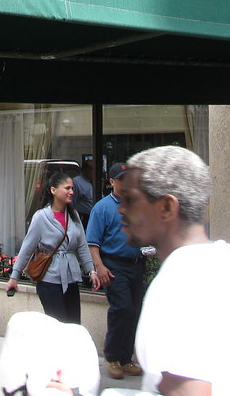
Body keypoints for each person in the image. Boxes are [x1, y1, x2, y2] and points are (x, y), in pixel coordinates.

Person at [120, 146, 230, 396]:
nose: (121, 209)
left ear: (167, 207)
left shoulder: (180, 279)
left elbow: (189, 391)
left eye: (131, 199)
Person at [5, 171, 101, 323]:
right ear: (53, 190)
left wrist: (91, 271)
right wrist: (14, 277)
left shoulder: (74, 216)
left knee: (73, 325)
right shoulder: (41, 217)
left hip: (71, 279)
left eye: (72, 188)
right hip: (49, 280)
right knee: (56, 325)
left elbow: (82, 246)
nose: (71, 192)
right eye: (67, 188)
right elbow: (27, 248)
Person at [85, 161, 146, 380]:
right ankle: (112, 357)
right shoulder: (102, 208)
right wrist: (99, 267)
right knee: (122, 308)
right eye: (121, 179)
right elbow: (92, 242)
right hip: (114, 266)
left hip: (136, 265)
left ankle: (126, 358)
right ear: (112, 181)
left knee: (135, 311)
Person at [72, 159, 95, 228]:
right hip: (84, 217)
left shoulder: (95, 181)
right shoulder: (76, 182)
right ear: (84, 170)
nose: (93, 172)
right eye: (90, 169)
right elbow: (72, 201)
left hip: (94, 216)